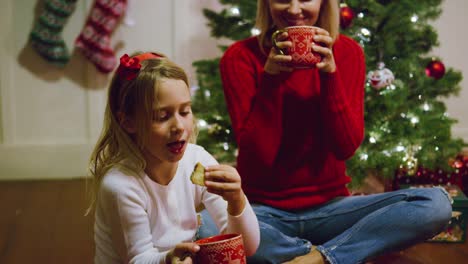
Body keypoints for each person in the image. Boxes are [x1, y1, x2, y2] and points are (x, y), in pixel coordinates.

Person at [200, 0, 453, 263]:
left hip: (332, 209)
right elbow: (258, 158)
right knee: (203, 226)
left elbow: (345, 146)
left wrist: (330, 75)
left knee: (435, 205)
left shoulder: (348, 53)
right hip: (262, 211)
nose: (294, 9)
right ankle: (326, 253)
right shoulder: (240, 57)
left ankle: (319, 257)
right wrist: (271, 80)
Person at [88, 52, 260, 264]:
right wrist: (167, 260)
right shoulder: (121, 185)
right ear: (129, 122)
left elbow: (248, 248)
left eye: (185, 111)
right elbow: (137, 259)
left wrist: (237, 200)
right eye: (162, 116)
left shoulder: (198, 161)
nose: (178, 126)